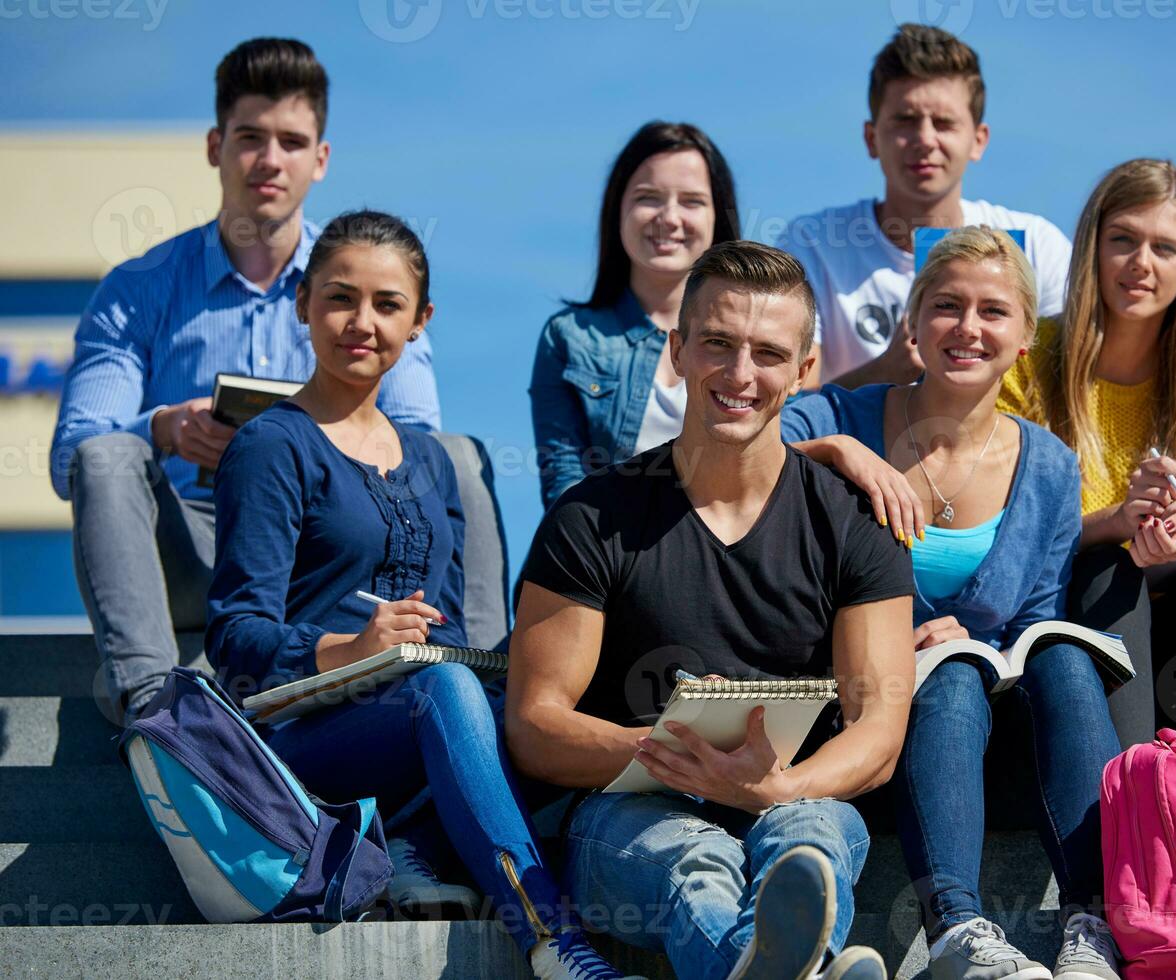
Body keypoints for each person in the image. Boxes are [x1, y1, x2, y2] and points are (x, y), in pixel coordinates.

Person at [206, 211, 625, 980]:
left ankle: (415, 841)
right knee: (443, 685)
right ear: (302, 302)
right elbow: (234, 641)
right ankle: (551, 936)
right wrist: (352, 649)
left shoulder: (433, 460)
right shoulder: (270, 445)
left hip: (430, 714)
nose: (361, 323)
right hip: (303, 738)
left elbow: (455, 627)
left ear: (420, 321)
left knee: (558, 669)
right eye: (339, 298)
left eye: (387, 304)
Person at [506, 241, 913, 980]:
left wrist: (776, 787)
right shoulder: (589, 517)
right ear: (677, 350)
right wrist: (673, 758)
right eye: (718, 344)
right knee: (699, 860)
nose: (739, 374)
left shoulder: (853, 521)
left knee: (806, 838)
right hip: (624, 814)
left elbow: (879, 732)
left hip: (795, 794)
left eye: (767, 353)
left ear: (804, 369)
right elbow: (535, 726)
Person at [49, 38, 440, 728]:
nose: (269, 160)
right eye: (250, 137)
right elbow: (71, 455)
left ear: (320, 159)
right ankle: (153, 709)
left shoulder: (368, 285)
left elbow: (420, 447)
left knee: (459, 459)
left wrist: (301, 451)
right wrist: (166, 430)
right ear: (214, 147)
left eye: (291, 141)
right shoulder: (137, 290)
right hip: (189, 550)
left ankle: (483, 679)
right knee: (107, 455)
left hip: (321, 564)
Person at [784, 226, 1123, 980]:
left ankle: (1091, 924)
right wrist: (844, 452)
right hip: (863, 704)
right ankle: (956, 931)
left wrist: (977, 639)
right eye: (945, 306)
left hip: (984, 726)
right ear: (911, 324)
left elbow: (1034, 611)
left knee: (1059, 657)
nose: (967, 328)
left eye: (993, 312)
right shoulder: (840, 417)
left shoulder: (1049, 465)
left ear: (1024, 341)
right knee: (948, 671)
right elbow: (736, 449)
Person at [999, 158, 1176, 751]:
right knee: (1108, 565)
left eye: (1166, 248)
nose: (1141, 263)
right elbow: (1012, 528)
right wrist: (1118, 522)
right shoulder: (1029, 357)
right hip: (1066, 615)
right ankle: (1129, 798)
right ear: (1093, 246)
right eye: (1122, 239)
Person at [778, 23, 1072, 390]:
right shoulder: (814, 245)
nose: (925, 139)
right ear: (871, 138)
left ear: (978, 140)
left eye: (944, 123)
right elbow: (788, 401)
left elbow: (1075, 386)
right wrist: (882, 375)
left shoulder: (1036, 245)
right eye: (906, 120)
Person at [531, 121, 791, 510]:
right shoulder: (569, 338)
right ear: (617, 209)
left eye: (691, 201)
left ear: (718, 216)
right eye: (648, 198)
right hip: (609, 558)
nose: (669, 218)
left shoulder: (774, 329)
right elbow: (564, 492)